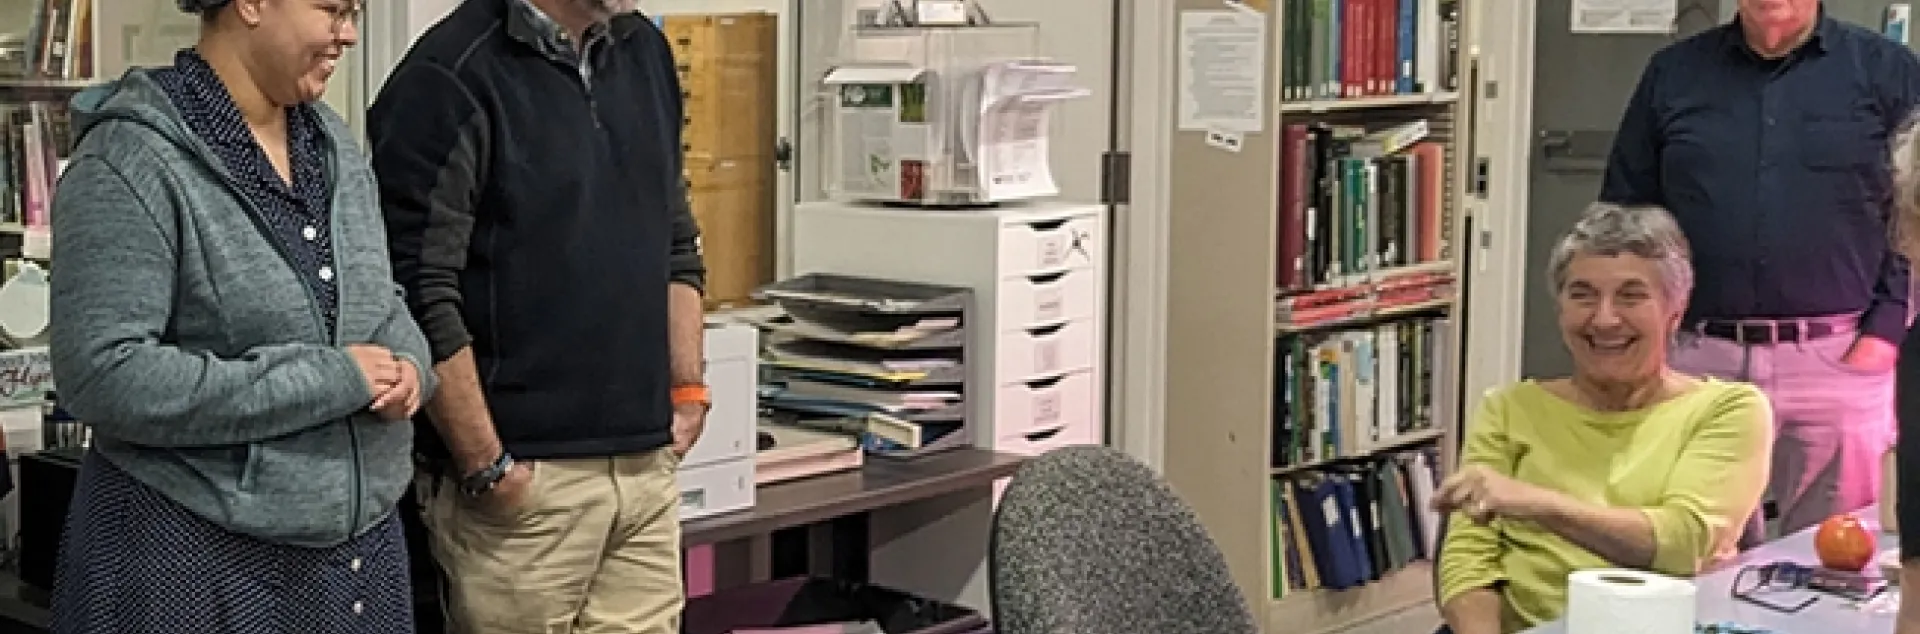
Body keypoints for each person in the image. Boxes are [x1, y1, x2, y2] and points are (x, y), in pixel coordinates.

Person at [44, 0, 436, 632]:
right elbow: (102, 374)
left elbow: (378, 302)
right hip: (188, 563)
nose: (350, 35)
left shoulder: (333, 144)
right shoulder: (130, 159)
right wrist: (331, 381)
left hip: (360, 564)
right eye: (333, 9)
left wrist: (412, 365)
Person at [367, 0, 709, 632]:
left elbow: (675, 241)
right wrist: (485, 465)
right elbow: (413, 288)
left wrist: (687, 389)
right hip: (522, 492)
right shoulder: (450, 75)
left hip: (643, 472)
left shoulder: (644, 53)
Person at [1599, 0, 1920, 540]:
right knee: (1696, 549)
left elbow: (1915, 211)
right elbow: (1625, 215)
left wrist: (1887, 327)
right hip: (1699, 357)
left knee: (1839, 561)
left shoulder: (1889, 71)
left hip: (1839, 358)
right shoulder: (1673, 74)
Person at [1433, 203, 1774, 634]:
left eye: (1631, 296)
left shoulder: (1729, 409)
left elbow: (1681, 543)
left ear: (1675, 312)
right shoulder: (1508, 408)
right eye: (1582, 295)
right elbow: (1468, 561)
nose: (1605, 318)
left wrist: (1532, 501)